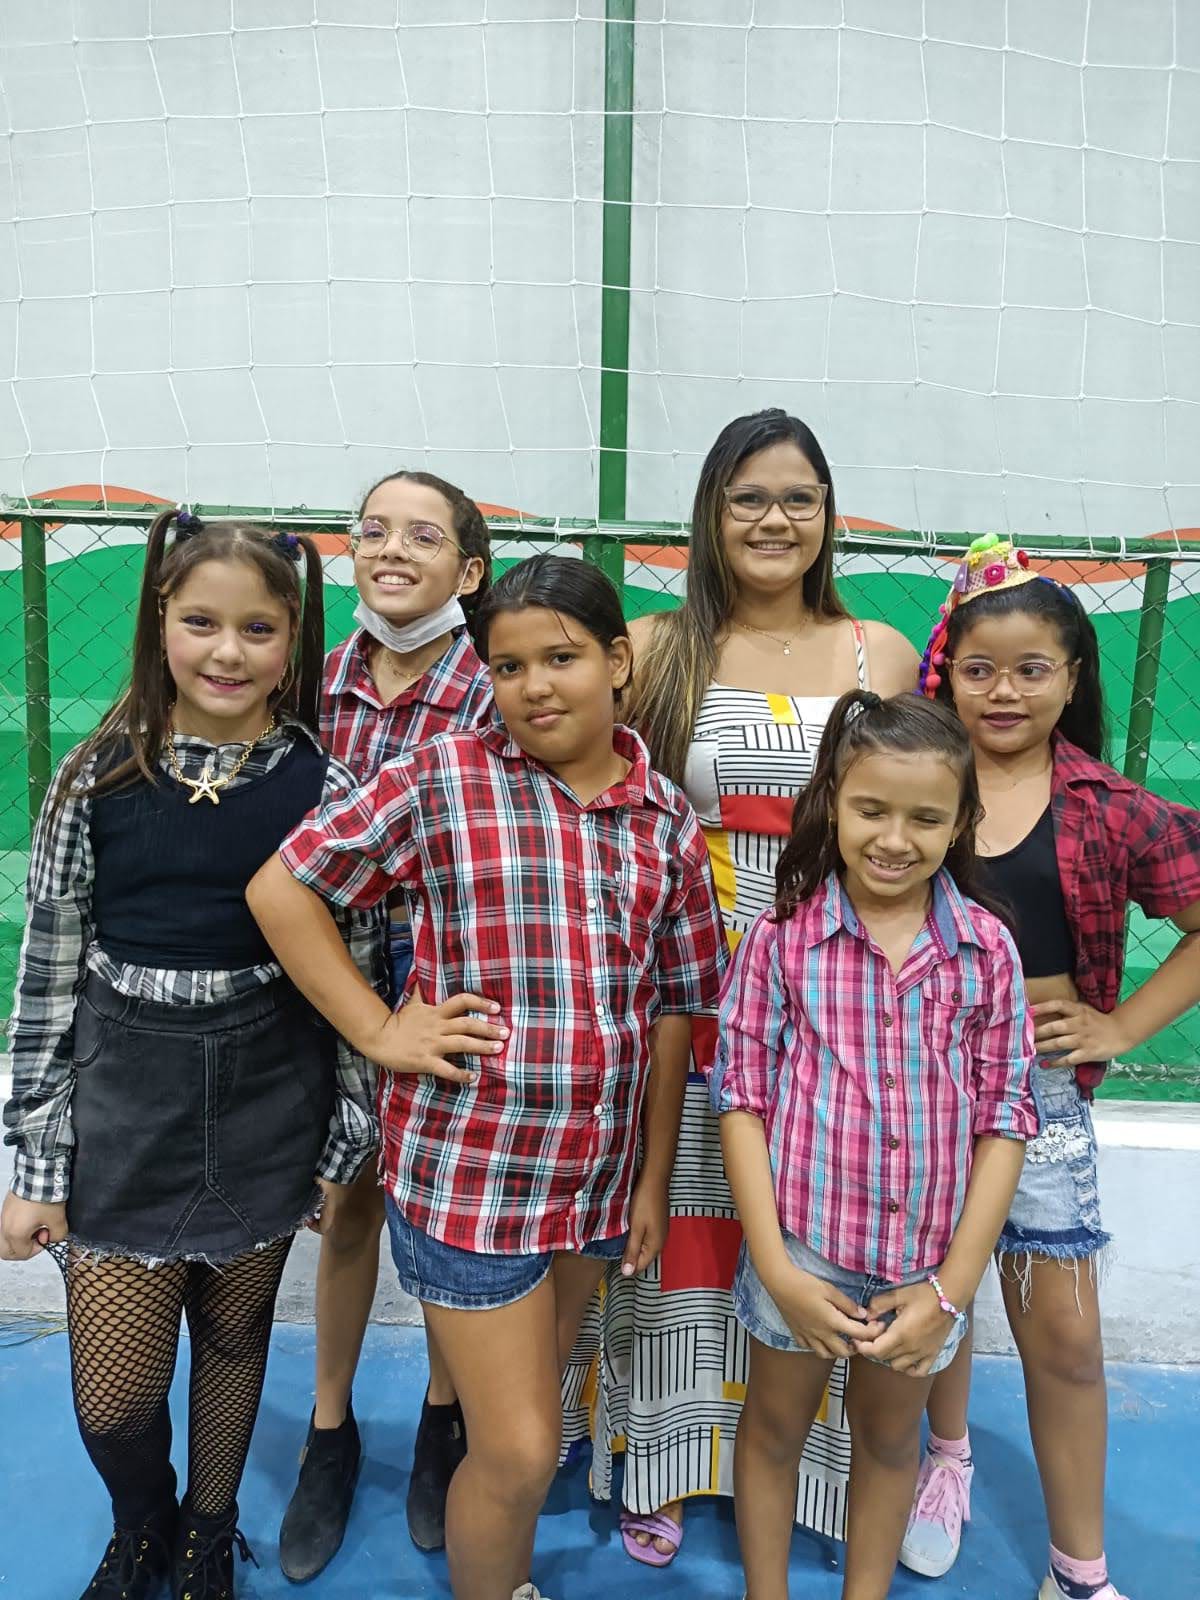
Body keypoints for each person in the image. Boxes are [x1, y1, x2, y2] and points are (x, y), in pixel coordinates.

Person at [246, 553, 727, 1600]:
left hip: (594, 1186)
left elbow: (676, 1007)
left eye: (561, 657)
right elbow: (283, 888)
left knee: (526, 1425)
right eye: (508, 667)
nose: (534, 686)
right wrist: (379, 1028)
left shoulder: (664, 820)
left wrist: (649, 1181)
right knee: (517, 1448)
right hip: (472, 1176)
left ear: (617, 662)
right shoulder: (445, 777)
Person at [0, 507, 382, 1600]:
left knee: (233, 1337)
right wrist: (35, 1163)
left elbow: (355, 976)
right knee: (116, 1403)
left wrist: (347, 1138)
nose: (228, 652)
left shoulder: (327, 789)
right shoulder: (96, 775)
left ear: (294, 640)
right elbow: (47, 967)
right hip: (127, 1102)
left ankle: (211, 1533)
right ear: (160, 620)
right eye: (202, 622)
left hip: (269, 1097)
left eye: (258, 629)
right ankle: (145, 1522)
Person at [566, 407, 919, 1566]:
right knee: (678, 1228)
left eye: (798, 498)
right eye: (748, 498)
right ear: (712, 514)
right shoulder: (656, 646)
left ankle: (810, 1464)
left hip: (833, 996)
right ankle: (661, 1456)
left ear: (828, 515)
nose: (775, 519)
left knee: (808, 1231)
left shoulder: (878, 652)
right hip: (684, 981)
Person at [899, 537, 1200, 1600]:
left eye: (1032, 668)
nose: (1004, 691)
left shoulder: (1110, 806)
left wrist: (1121, 1026)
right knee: (930, 1305)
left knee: (1066, 1338)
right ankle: (946, 1460)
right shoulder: (909, 782)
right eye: (979, 668)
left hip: (1039, 1097)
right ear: (946, 674)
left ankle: (1080, 1571)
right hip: (909, 1085)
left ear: (1073, 675)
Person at [715, 688, 1037, 1600]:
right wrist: (776, 1267)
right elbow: (741, 1102)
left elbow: (1004, 1119)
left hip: (924, 1272)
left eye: (926, 818)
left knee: (892, 1441)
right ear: (832, 805)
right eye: (871, 810)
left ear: (962, 822)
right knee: (773, 1430)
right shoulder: (781, 941)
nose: (895, 838)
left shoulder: (986, 951)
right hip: (804, 1257)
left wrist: (950, 1291)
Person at [279, 469, 494, 1580]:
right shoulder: (311, 683)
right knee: (350, 1197)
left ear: (469, 571)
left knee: (448, 1214)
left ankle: (444, 1415)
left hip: (446, 980)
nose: (393, 550)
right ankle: (330, 1429)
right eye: (373, 530)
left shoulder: (495, 688)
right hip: (329, 976)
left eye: (424, 535)